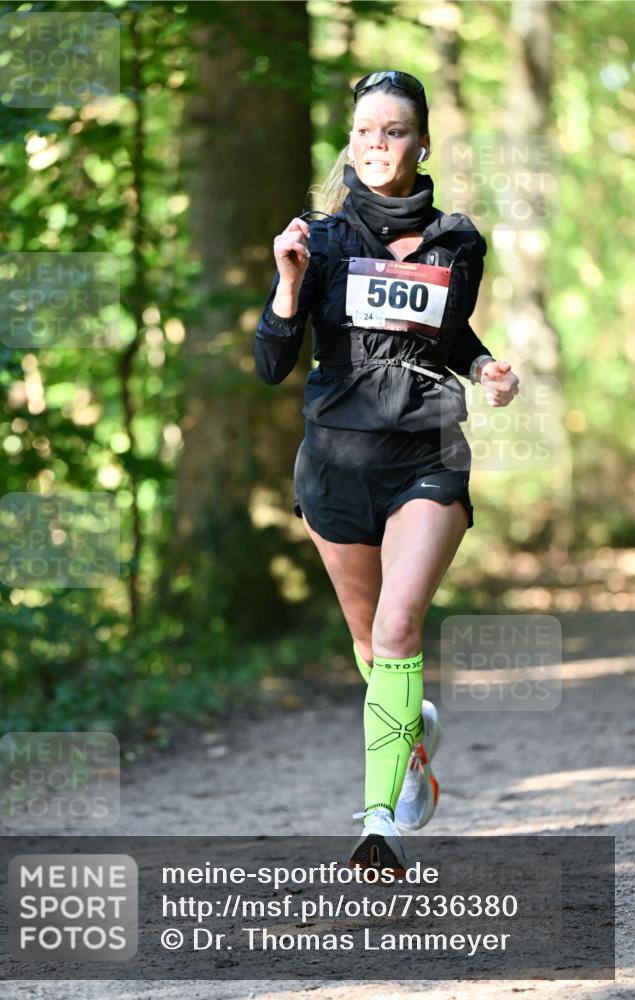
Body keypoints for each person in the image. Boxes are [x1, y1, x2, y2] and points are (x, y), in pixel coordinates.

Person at [254, 70, 519, 876]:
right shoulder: (320, 239)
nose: (377, 144)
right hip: (333, 464)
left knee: (399, 630)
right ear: (350, 142)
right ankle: (411, 740)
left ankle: (379, 822)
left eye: (394, 130)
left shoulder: (456, 240)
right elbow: (270, 364)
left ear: (421, 142)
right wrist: (290, 280)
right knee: (374, 648)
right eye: (365, 130)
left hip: (425, 457)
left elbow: (448, 333)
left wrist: (485, 370)